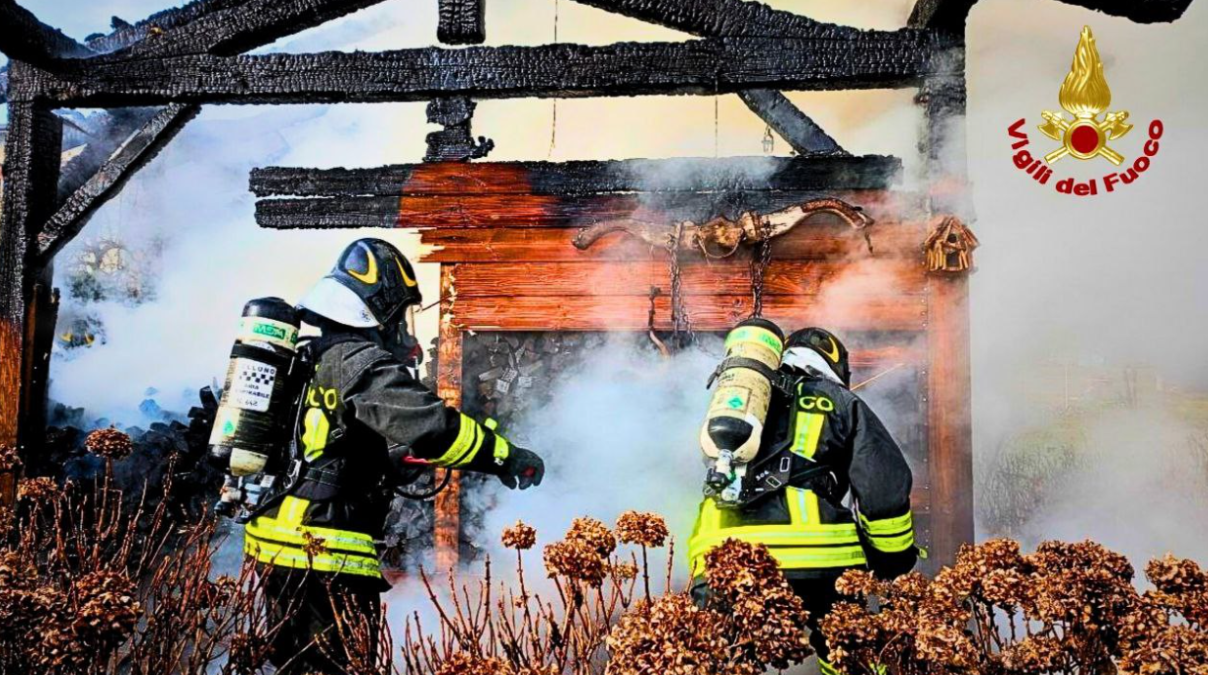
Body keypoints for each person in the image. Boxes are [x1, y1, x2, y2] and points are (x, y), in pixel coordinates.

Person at [242, 238, 545, 674]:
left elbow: (322, 442)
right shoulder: (358, 360)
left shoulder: (314, 355)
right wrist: (506, 456)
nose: (400, 327)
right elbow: (433, 427)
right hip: (323, 551)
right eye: (397, 312)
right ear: (375, 306)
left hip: (280, 545)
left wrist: (386, 460)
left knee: (294, 665)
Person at [689, 326, 917, 675]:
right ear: (835, 365)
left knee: (717, 658)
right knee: (848, 650)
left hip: (721, 560)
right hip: (819, 559)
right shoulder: (839, 400)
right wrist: (892, 559)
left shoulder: (737, 400)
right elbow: (881, 485)